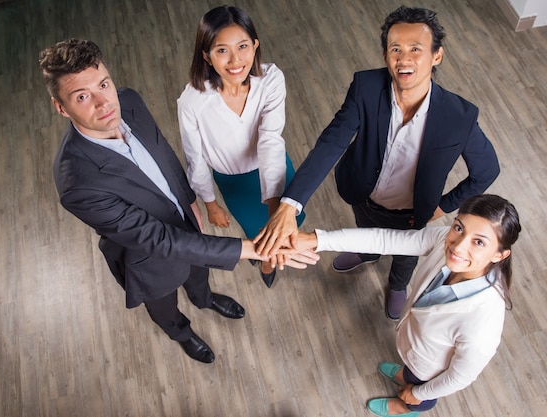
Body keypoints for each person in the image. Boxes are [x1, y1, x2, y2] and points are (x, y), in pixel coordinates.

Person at [39, 39, 317, 364]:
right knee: (165, 308)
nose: (104, 103)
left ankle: (205, 299)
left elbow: (165, 157)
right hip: (150, 260)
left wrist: (191, 203)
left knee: (199, 278)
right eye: (83, 96)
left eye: (104, 84)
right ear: (61, 107)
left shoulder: (127, 101)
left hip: (188, 224)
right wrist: (254, 249)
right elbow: (159, 240)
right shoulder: (77, 183)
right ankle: (182, 333)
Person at [255, 6, 500, 319]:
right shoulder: (365, 87)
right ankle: (366, 252)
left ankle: (397, 285)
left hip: (413, 213)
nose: (404, 59)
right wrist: (289, 205)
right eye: (395, 49)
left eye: (416, 49)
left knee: (405, 257)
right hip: (364, 193)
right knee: (366, 228)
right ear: (386, 55)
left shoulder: (459, 116)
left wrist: (443, 206)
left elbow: (487, 171)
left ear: (436, 56)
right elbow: (331, 143)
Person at [286, 194, 521, 417]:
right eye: (459, 228)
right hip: (413, 350)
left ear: (499, 255)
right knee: (410, 373)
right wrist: (319, 239)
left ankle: (407, 408)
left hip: (428, 372)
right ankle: (406, 375)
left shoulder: (483, 321)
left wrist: (419, 393)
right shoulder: (445, 241)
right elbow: (389, 240)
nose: (458, 246)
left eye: (479, 242)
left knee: (416, 392)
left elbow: (459, 378)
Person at [178, 5, 305, 288]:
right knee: (258, 233)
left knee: (287, 222)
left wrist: (276, 210)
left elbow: (271, 140)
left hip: (274, 166)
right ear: (206, 56)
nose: (236, 60)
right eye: (222, 50)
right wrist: (210, 204)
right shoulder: (192, 102)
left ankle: (270, 259)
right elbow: (194, 159)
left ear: (255, 45)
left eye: (243, 46)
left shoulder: (271, 80)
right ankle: (266, 264)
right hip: (234, 182)